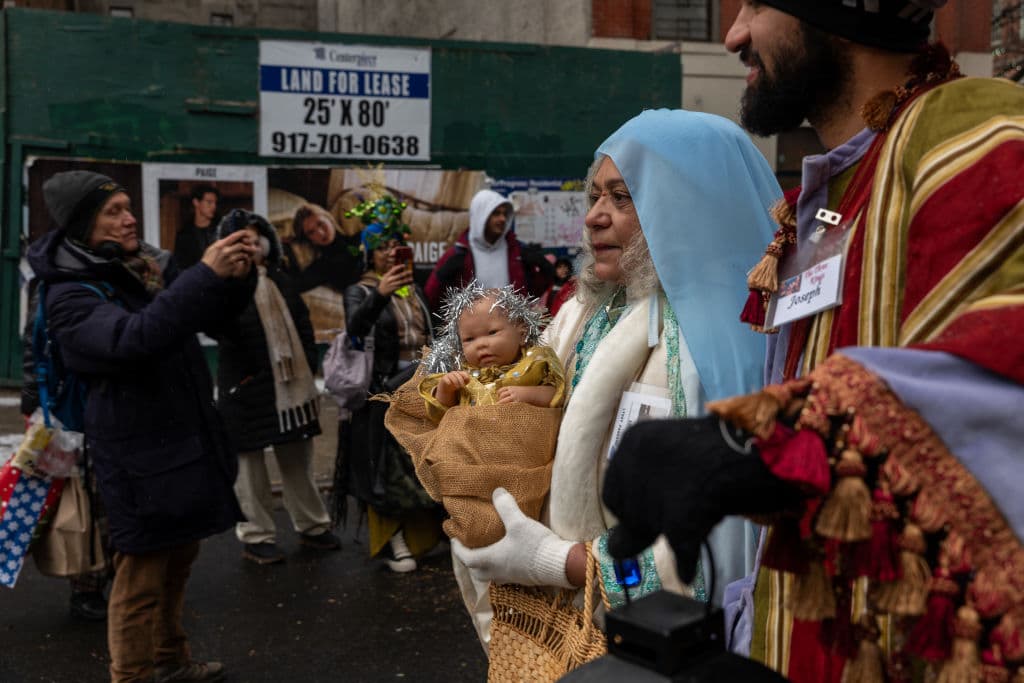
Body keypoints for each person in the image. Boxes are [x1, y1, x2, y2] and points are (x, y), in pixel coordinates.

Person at [602, 2, 1024, 682]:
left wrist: (751, 448)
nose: (734, 34)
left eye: (757, 6)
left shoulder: (972, 123)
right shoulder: (825, 197)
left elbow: (1007, 355)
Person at [450, 110, 782, 648]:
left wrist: (564, 562)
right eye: (595, 197)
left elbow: (711, 563)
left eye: (622, 198)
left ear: (687, 209)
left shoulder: (718, 355)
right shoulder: (585, 314)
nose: (593, 218)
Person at [27, 170, 257, 683]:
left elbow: (211, 317)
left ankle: (171, 660)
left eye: (128, 207)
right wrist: (203, 273)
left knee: (178, 562)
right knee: (140, 577)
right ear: (83, 223)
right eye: (113, 211)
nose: (129, 218)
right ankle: (130, 675)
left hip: (180, 437)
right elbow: (132, 339)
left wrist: (236, 274)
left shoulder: (146, 266)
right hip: (135, 452)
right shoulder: (69, 292)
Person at [384, 282, 565, 549]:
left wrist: (528, 395)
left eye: (492, 332)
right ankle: (480, 529)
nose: (482, 345)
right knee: (478, 504)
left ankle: (518, 535)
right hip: (475, 459)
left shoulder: (535, 362)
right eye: (470, 339)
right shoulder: (464, 373)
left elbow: (556, 394)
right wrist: (445, 388)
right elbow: (440, 415)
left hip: (522, 458)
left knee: (521, 506)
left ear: (521, 329)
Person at [212, 209, 341, 565]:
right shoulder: (222, 286)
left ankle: (313, 527)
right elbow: (215, 327)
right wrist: (234, 282)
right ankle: (257, 536)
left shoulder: (282, 280)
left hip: (292, 389)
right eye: (243, 238)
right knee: (249, 466)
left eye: (257, 237)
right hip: (245, 387)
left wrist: (307, 369)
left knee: (297, 457)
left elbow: (302, 325)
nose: (252, 244)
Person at [334, 196, 441, 573]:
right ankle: (394, 540)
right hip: (383, 393)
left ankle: (428, 536)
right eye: (381, 247)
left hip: (423, 388)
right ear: (368, 254)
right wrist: (380, 294)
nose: (389, 253)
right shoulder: (360, 291)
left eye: (394, 246)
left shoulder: (413, 289)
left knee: (423, 464)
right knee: (387, 473)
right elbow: (355, 331)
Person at [424, 189, 553, 310]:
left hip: (511, 328)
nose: (502, 219)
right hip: (472, 329)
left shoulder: (516, 252)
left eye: (504, 214)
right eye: (496, 213)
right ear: (481, 216)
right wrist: (441, 279)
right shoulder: (459, 254)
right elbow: (430, 298)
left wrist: (545, 273)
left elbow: (530, 295)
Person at [283, 203, 363, 294]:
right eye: (311, 232)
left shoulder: (361, 238)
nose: (320, 233)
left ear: (329, 219)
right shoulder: (323, 267)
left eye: (321, 224)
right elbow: (291, 285)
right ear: (310, 240)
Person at [172, 185, 219, 270]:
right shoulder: (184, 234)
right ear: (196, 202)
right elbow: (179, 265)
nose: (214, 206)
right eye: (209, 202)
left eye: (215, 202)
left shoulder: (220, 231)